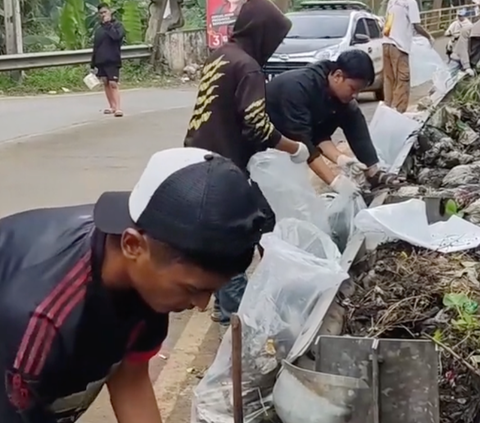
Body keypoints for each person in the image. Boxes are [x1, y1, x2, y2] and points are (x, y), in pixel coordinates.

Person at [0, 147, 263, 423]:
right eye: (193, 290)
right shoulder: (43, 317)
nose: (201, 306)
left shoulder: (148, 274)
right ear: (133, 245)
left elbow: (131, 382)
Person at [184, 0, 309, 326]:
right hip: (223, 167)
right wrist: (292, 147)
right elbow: (256, 124)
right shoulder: (248, 66)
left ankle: (222, 305)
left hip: (198, 157)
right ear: (262, 32)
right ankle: (237, 317)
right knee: (236, 239)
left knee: (219, 235)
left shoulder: (222, 55)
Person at [266, 50, 404, 196]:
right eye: (353, 89)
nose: (355, 95)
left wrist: (365, 167)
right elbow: (304, 144)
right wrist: (335, 182)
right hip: (258, 141)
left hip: (288, 142)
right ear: (338, 76)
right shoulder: (298, 88)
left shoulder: (335, 94)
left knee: (352, 112)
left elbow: (330, 133)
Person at [383, 0, 433, 113]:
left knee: (389, 79)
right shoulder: (410, 2)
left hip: (386, 43)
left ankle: (388, 107)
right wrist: (429, 36)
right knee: (402, 79)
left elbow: (388, 24)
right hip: (399, 47)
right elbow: (416, 25)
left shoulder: (392, 1)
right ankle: (399, 111)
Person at [91, 3, 125, 117]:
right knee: (105, 83)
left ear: (110, 12)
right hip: (101, 60)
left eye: (105, 12)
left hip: (113, 59)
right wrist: (93, 63)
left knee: (113, 83)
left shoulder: (117, 26)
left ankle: (118, 108)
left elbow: (117, 37)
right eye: (101, 13)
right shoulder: (99, 29)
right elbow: (96, 46)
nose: (103, 15)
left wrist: (109, 25)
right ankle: (112, 106)